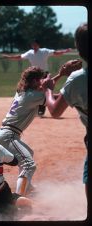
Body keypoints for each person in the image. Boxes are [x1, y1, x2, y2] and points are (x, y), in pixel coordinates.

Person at [0, 61, 81, 196]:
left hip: (6, 134)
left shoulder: (23, 91)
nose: (44, 80)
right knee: (29, 164)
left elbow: (44, 89)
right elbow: (52, 96)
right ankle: (19, 196)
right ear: (35, 81)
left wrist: (60, 75)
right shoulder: (33, 96)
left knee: (28, 153)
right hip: (8, 135)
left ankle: (26, 186)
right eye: (41, 79)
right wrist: (73, 91)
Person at [41, 23, 88, 198]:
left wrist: (47, 89)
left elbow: (54, 110)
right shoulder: (76, 80)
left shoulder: (77, 79)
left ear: (79, 47)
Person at [3, 39, 72, 117]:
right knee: (34, 92)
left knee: (43, 92)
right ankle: (35, 108)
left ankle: (41, 110)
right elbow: (19, 57)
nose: (34, 46)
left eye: (35, 44)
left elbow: (55, 53)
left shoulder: (44, 51)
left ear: (39, 45)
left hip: (44, 74)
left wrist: (65, 51)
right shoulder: (30, 53)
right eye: (33, 44)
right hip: (34, 75)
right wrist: (9, 57)